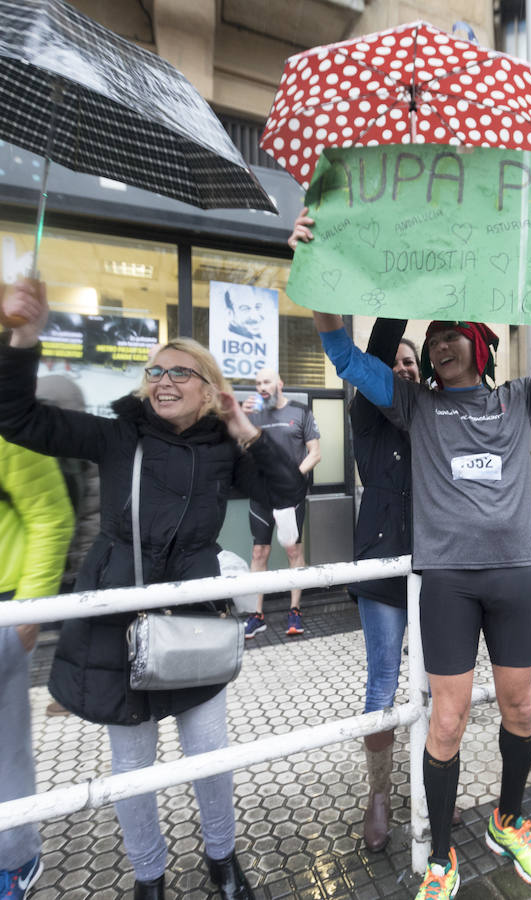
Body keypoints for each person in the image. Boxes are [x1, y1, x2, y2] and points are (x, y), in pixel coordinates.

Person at [310, 237, 531, 900]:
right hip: (445, 581)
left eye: (452, 334)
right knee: (444, 722)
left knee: (520, 708)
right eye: (433, 335)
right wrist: (318, 269)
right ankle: (442, 854)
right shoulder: (410, 402)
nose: (439, 343)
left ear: (479, 344)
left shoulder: (518, 398)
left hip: (511, 580)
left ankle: (508, 818)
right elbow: (338, 353)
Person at [0, 279, 306, 900]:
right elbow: (17, 417)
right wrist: (24, 336)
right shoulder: (118, 433)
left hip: (193, 615)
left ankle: (223, 860)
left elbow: (287, 494)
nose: (163, 381)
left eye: (180, 372)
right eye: (155, 370)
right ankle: (149, 876)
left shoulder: (224, 446)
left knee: (209, 756)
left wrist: (245, 424)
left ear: (208, 386)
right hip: (118, 616)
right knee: (134, 767)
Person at [290, 210, 460, 852]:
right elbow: (378, 351)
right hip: (384, 566)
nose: (410, 369)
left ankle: (436, 783)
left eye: (418, 364)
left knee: (442, 680)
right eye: (401, 362)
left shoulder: (439, 413)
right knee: (383, 682)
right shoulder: (368, 409)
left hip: (442, 566)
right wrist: (402, 259)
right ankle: (381, 793)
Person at [0, 436, 73, 900]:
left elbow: (52, 511)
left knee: (5, 749)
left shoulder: (7, 429)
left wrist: (28, 613)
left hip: (7, 604)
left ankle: (15, 858)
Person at [35, 374, 102, 716]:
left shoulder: (70, 451)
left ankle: (74, 694)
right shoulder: (67, 448)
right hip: (67, 558)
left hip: (75, 558)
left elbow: (85, 510)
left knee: (76, 631)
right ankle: (71, 692)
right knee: (72, 630)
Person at [241, 368, 321, 637]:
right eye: (258, 383)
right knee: (258, 553)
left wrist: (290, 477)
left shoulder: (300, 412)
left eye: (267, 381)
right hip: (262, 495)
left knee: (292, 552)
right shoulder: (253, 414)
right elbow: (239, 450)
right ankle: (256, 614)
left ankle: (295, 610)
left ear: (280, 383)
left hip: (290, 496)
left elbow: (315, 453)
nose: (262, 387)